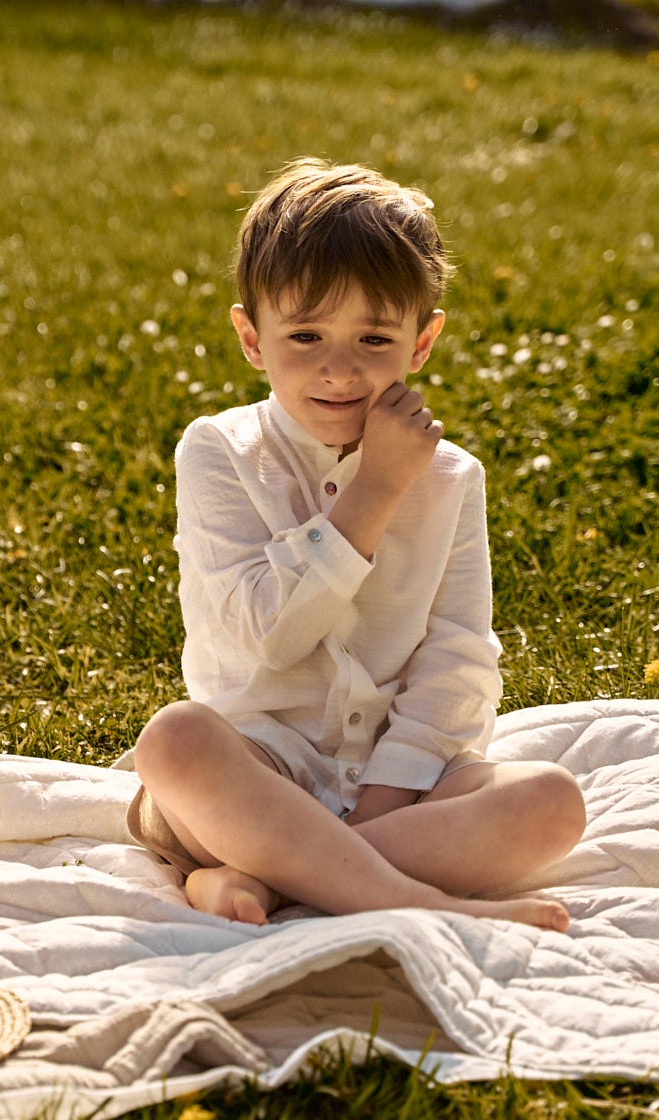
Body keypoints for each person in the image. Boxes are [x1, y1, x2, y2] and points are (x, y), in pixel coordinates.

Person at [129, 159, 585, 930]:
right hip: (253, 764)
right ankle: (413, 899)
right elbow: (269, 636)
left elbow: (455, 654)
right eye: (303, 335)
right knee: (174, 741)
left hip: (398, 788)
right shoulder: (216, 451)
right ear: (250, 338)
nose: (337, 369)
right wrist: (373, 493)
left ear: (420, 342)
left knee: (550, 803)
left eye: (373, 338)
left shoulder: (450, 476)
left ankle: (271, 877)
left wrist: (382, 796)